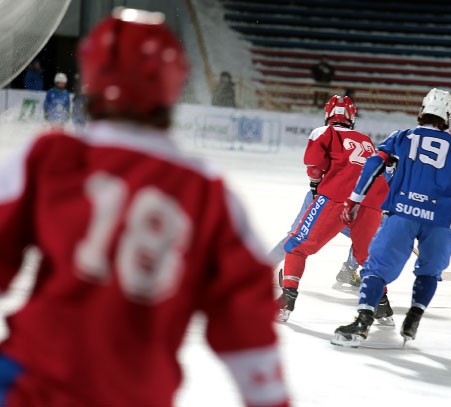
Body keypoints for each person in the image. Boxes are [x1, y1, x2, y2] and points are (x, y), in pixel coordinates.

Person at [0, 8, 290, 407]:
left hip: (32, 380)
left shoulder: (50, 157)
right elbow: (246, 314)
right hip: (138, 393)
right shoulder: (206, 192)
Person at [331, 88, 451, 347]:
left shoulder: (402, 137)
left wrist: (354, 199)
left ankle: (362, 322)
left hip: (403, 212)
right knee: (429, 271)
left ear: (421, 112)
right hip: (442, 220)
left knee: (376, 269)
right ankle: (414, 316)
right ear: (448, 117)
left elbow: (374, 164)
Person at [276, 95, 392, 324]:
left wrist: (316, 183)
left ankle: (286, 301)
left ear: (328, 114)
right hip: (372, 201)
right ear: (352, 117)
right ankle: (382, 307)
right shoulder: (365, 139)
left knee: (297, 245)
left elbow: (313, 165)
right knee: (366, 258)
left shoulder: (323, 132)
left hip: (338, 196)